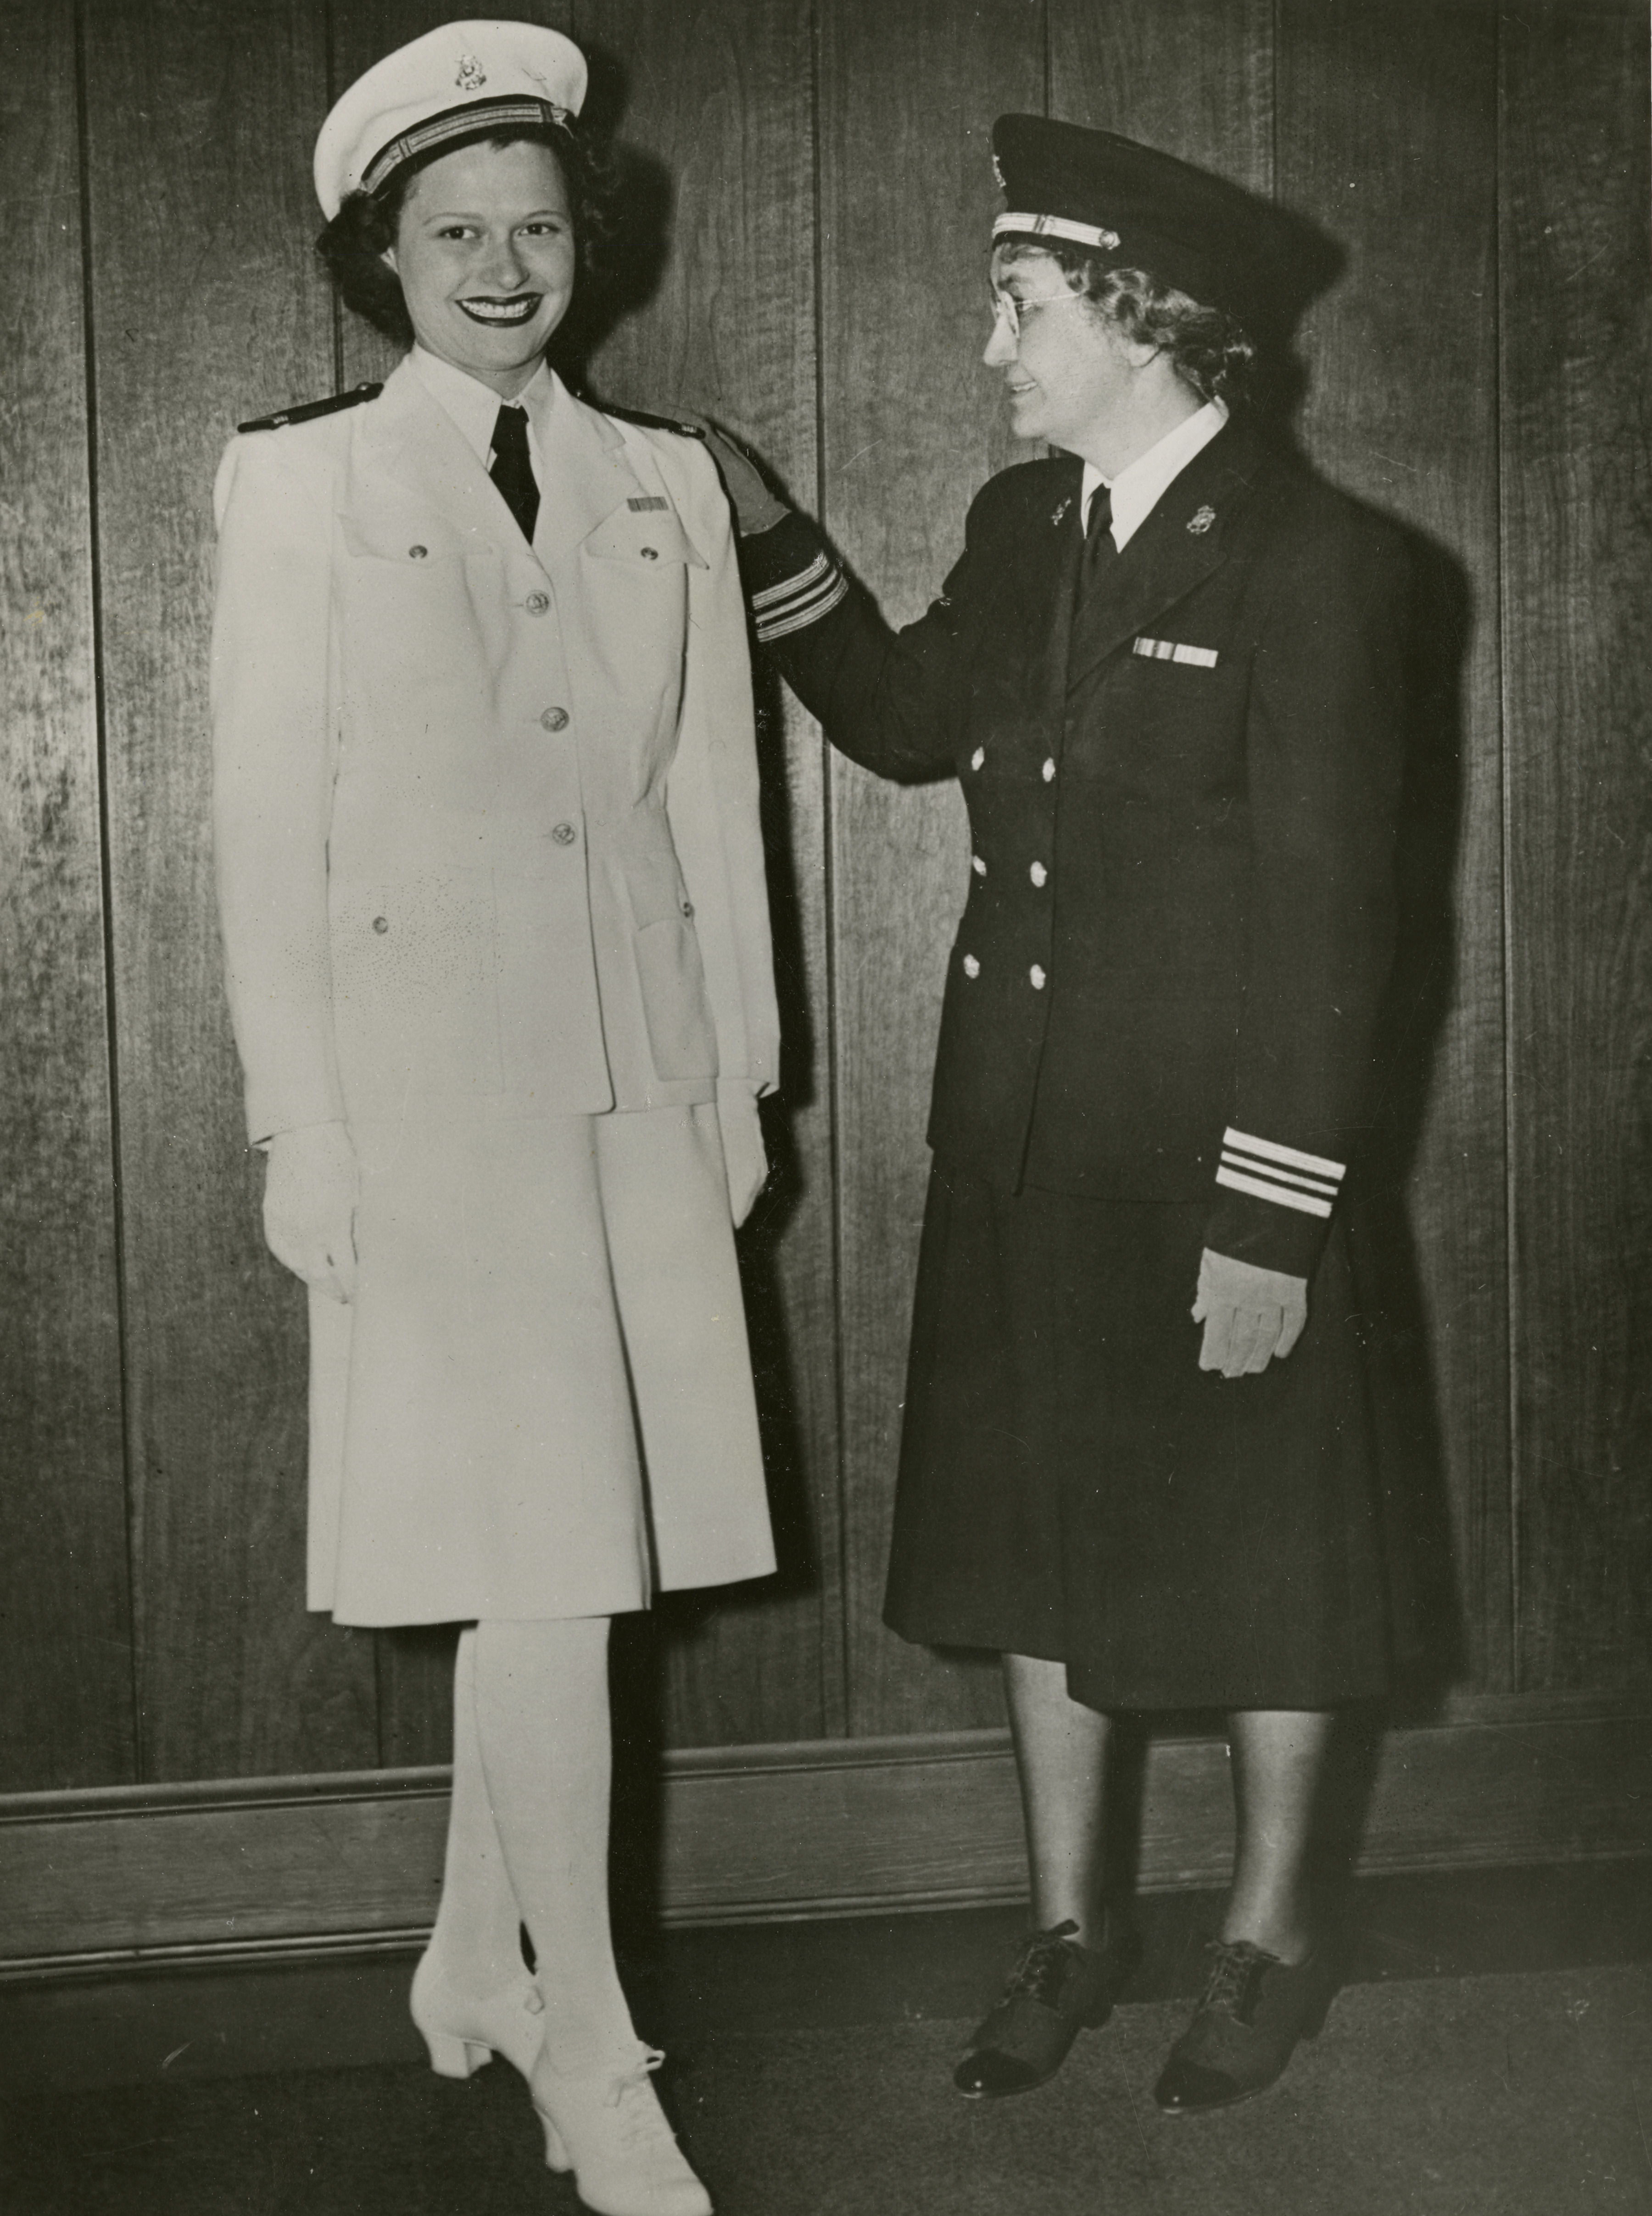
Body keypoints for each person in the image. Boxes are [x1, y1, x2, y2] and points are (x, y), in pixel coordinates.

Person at [709, 116, 1410, 2114]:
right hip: (1019, 1142)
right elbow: (914, 720)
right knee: (1027, 1547)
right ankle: (1072, 1925)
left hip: (1215, 1174)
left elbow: (1341, 922)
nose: (989, 345)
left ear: (1148, 321)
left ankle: (1274, 1928)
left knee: (1270, 1562)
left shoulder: (1325, 565)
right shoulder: (1031, 531)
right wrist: (768, 531)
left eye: (1019, 306)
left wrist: (1271, 1220)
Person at [211, 23, 778, 2214]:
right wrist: (303, 1123)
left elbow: (712, 805)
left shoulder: (658, 482)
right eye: (455, 232)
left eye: (540, 227)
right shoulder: (301, 483)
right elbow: (267, 822)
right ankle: (587, 2038)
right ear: (386, 255)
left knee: (554, 1557)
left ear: (588, 248)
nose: (504, 264)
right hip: (428, 1099)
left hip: (637, 1079)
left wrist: (739, 1077)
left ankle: (474, 1954)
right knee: (543, 1560)